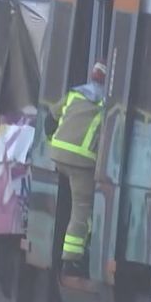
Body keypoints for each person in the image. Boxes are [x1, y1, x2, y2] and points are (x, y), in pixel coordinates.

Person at [47, 61, 107, 277]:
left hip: (58, 155)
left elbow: (50, 118)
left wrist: (49, 144)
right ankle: (70, 261)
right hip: (81, 163)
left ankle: (72, 250)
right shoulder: (106, 103)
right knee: (81, 208)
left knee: (72, 202)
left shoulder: (75, 94)